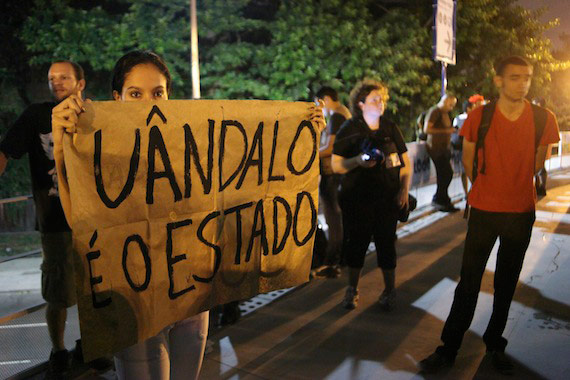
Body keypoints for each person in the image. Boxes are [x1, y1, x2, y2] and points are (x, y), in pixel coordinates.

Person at [52, 50, 325, 380]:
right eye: (135, 94)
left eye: (158, 92)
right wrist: (59, 146)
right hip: (138, 303)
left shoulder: (193, 143)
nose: (148, 102)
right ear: (117, 97)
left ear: (169, 96)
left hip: (192, 299)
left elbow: (250, 182)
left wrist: (301, 131)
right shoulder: (100, 149)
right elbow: (77, 222)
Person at [419, 56, 560, 375]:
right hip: (484, 210)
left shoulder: (542, 117)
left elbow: (539, 161)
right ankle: (448, 348)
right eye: (514, 77)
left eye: (526, 77)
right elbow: (467, 160)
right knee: (468, 282)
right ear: (498, 81)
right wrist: (489, 187)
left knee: (506, 283)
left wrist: (513, 183)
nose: (522, 83)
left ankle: (495, 344)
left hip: (521, 212)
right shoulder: (479, 116)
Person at [0, 60, 85, 377]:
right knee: (57, 291)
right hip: (54, 219)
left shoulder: (94, 116)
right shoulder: (37, 115)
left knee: (96, 288)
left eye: (65, 76)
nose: (58, 81)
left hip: (94, 221)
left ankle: (91, 344)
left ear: (81, 82)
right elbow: (6, 149)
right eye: (52, 77)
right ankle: (59, 350)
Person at [331, 79, 411, 311]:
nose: (381, 104)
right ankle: (352, 290)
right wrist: (357, 161)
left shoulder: (390, 127)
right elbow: (336, 166)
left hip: (387, 199)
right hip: (357, 200)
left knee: (387, 245)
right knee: (356, 245)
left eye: (382, 100)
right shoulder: (349, 129)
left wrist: (404, 190)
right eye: (375, 100)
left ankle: (389, 290)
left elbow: (406, 163)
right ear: (361, 104)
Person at [314, 86, 351, 277]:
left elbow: (330, 147)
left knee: (334, 218)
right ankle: (341, 258)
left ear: (326, 99)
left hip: (333, 173)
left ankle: (333, 261)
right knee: (338, 218)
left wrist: (310, 154)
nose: (319, 108)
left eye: (318, 103)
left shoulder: (337, 116)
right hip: (340, 172)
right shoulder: (344, 113)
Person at [424, 93, 458, 212]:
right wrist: (446, 131)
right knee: (445, 174)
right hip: (436, 149)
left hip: (444, 149)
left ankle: (443, 198)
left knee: (445, 174)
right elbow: (427, 129)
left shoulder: (444, 113)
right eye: (450, 104)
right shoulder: (435, 112)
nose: (451, 107)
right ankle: (439, 199)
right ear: (444, 101)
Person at [452, 94, 485, 198]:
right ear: (470, 107)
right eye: (477, 105)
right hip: (469, 149)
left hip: (461, 149)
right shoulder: (471, 118)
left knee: (465, 170)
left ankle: (468, 192)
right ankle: (472, 191)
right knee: (471, 168)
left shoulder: (458, 118)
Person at [532, 97, 550, 196]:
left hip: (541, 145)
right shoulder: (536, 115)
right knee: (537, 167)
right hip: (534, 145)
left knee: (540, 167)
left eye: (535, 104)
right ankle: (538, 186)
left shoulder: (545, 116)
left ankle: (541, 187)